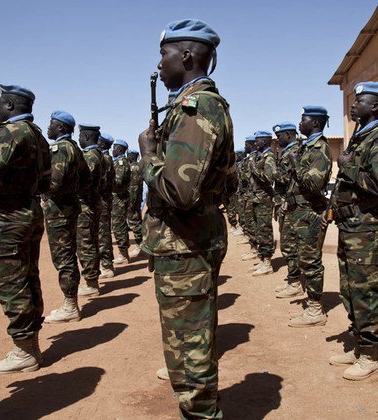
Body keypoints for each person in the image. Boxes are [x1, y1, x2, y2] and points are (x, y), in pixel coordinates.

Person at [138, 18, 234, 418]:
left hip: (186, 243)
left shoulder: (197, 108)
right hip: (186, 240)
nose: (159, 63)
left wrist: (148, 155)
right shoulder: (189, 105)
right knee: (190, 338)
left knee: (190, 344)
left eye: (165, 53)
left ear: (188, 55)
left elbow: (180, 191)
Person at [327, 82, 378, 380]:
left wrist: (347, 167)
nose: (353, 105)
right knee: (350, 289)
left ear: (375, 106)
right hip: (351, 225)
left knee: (366, 291)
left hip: (367, 228)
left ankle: (370, 355)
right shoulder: (361, 138)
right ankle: (359, 346)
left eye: (359, 101)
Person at [0, 84, 51, 374]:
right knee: (28, 277)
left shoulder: (11, 133)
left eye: (1, 103)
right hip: (30, 212)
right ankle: (31, 346)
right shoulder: (37, 135)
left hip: (8, 217)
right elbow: (47, 181)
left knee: (12, 283)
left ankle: (24, 351)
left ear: (9, 105)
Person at [287, 106, 332, 328]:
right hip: (301, 211)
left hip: (311, 212)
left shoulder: (319, 148)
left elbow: (313, 185)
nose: (299, 123)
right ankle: (310, 299)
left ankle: (316, 309)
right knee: (303, 258)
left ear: (314, 123)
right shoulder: (307, 147)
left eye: (302, 119)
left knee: (311, 260)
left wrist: (296, 165)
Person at [42, 110, 88, 324]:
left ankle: (70, 306)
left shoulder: (60, 148)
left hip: (59, 210)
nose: (48, 127)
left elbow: (55, 182)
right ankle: (70, 303)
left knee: (64, 257)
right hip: (69, 207)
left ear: (60, 127)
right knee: (68, 253)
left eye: (51, 124)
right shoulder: (75, 148)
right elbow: (86, 179)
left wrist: (40, 191)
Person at [273, 122, 304, 298]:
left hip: (294, 204)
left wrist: (272, 172)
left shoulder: (294, 152)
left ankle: (296, 282)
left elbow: (286, 178)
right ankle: (294, 280)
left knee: (291, 245)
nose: (277, 139)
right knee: (287, 244)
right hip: (286, 202)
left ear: (289, 134)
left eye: (280, 136)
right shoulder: (287, 152)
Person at [76, 124, 104, 297]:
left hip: (87, 205)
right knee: (90, 242)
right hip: (90, 204)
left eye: (80, 137)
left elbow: (84, 183)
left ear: (86, 137)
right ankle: (92, 281)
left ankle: (91, 283)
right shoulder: (96, 154)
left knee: (86, 244)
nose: (78, 140)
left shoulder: (90, 156)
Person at [248, 130, 276, 276]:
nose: (255, 143)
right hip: (256, 197)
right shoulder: (259, 156)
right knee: (258, 229)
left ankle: (267, 263)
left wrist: (254, 170)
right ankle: (262, 258)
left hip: (264, 198)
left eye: (258, 140)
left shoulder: (269, 157)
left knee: (265, 230)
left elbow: (269, 177)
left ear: (265, 141)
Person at [97, 132, 116, 279]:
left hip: (102, 200)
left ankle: (107, 266)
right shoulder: (107, 158)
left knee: (102, 233)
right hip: (105, 199)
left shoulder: (104, 158)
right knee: (103, 232)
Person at [111, 138, 132, 264]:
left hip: (119, 199)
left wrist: (106, 181)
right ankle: (123, 253)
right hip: (116, 199)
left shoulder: (121, 163)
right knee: (117, 226)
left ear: (120, 149)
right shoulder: (118, 162)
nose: (113, 150)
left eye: (115, 148)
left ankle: (124, 255)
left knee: (119, 227)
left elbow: (118, 182)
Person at [126, 150, 144, 256]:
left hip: (133, 200)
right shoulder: (136, 166)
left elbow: (134, 188)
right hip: (136, 200)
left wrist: (131, 204)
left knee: (135, 223)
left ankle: (140, 246)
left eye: (129, 155)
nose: (127, 156)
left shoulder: (134, 168)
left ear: (133, 156)